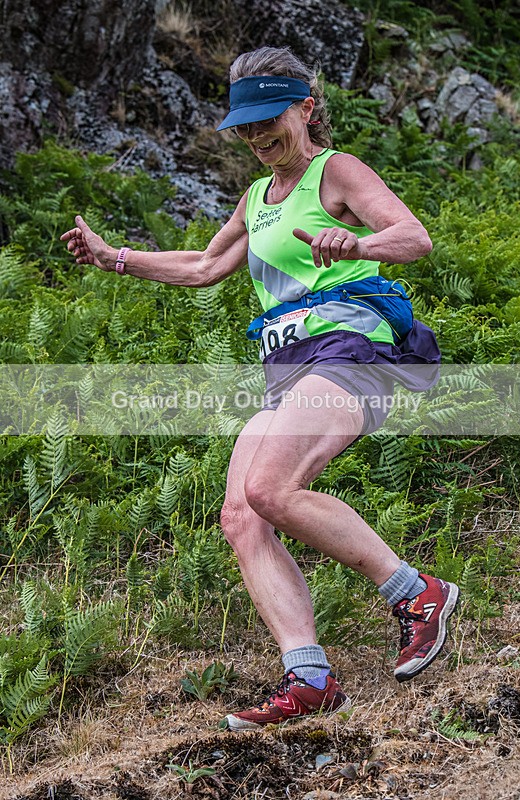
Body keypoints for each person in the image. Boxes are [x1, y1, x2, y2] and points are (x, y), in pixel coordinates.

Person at [61, 46, 459, 732]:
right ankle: (309, 678)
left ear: (305, 107)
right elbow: (206, 265)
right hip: (289, 362)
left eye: (265, 120)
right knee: (242, 516)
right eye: (242, 127)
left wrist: (354, 244)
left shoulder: (335, 171)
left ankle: (416, 593)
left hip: (349, 346)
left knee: (271, 488)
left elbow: (412, 237)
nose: (254, 137)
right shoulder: (255, 198)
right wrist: (115, 259)